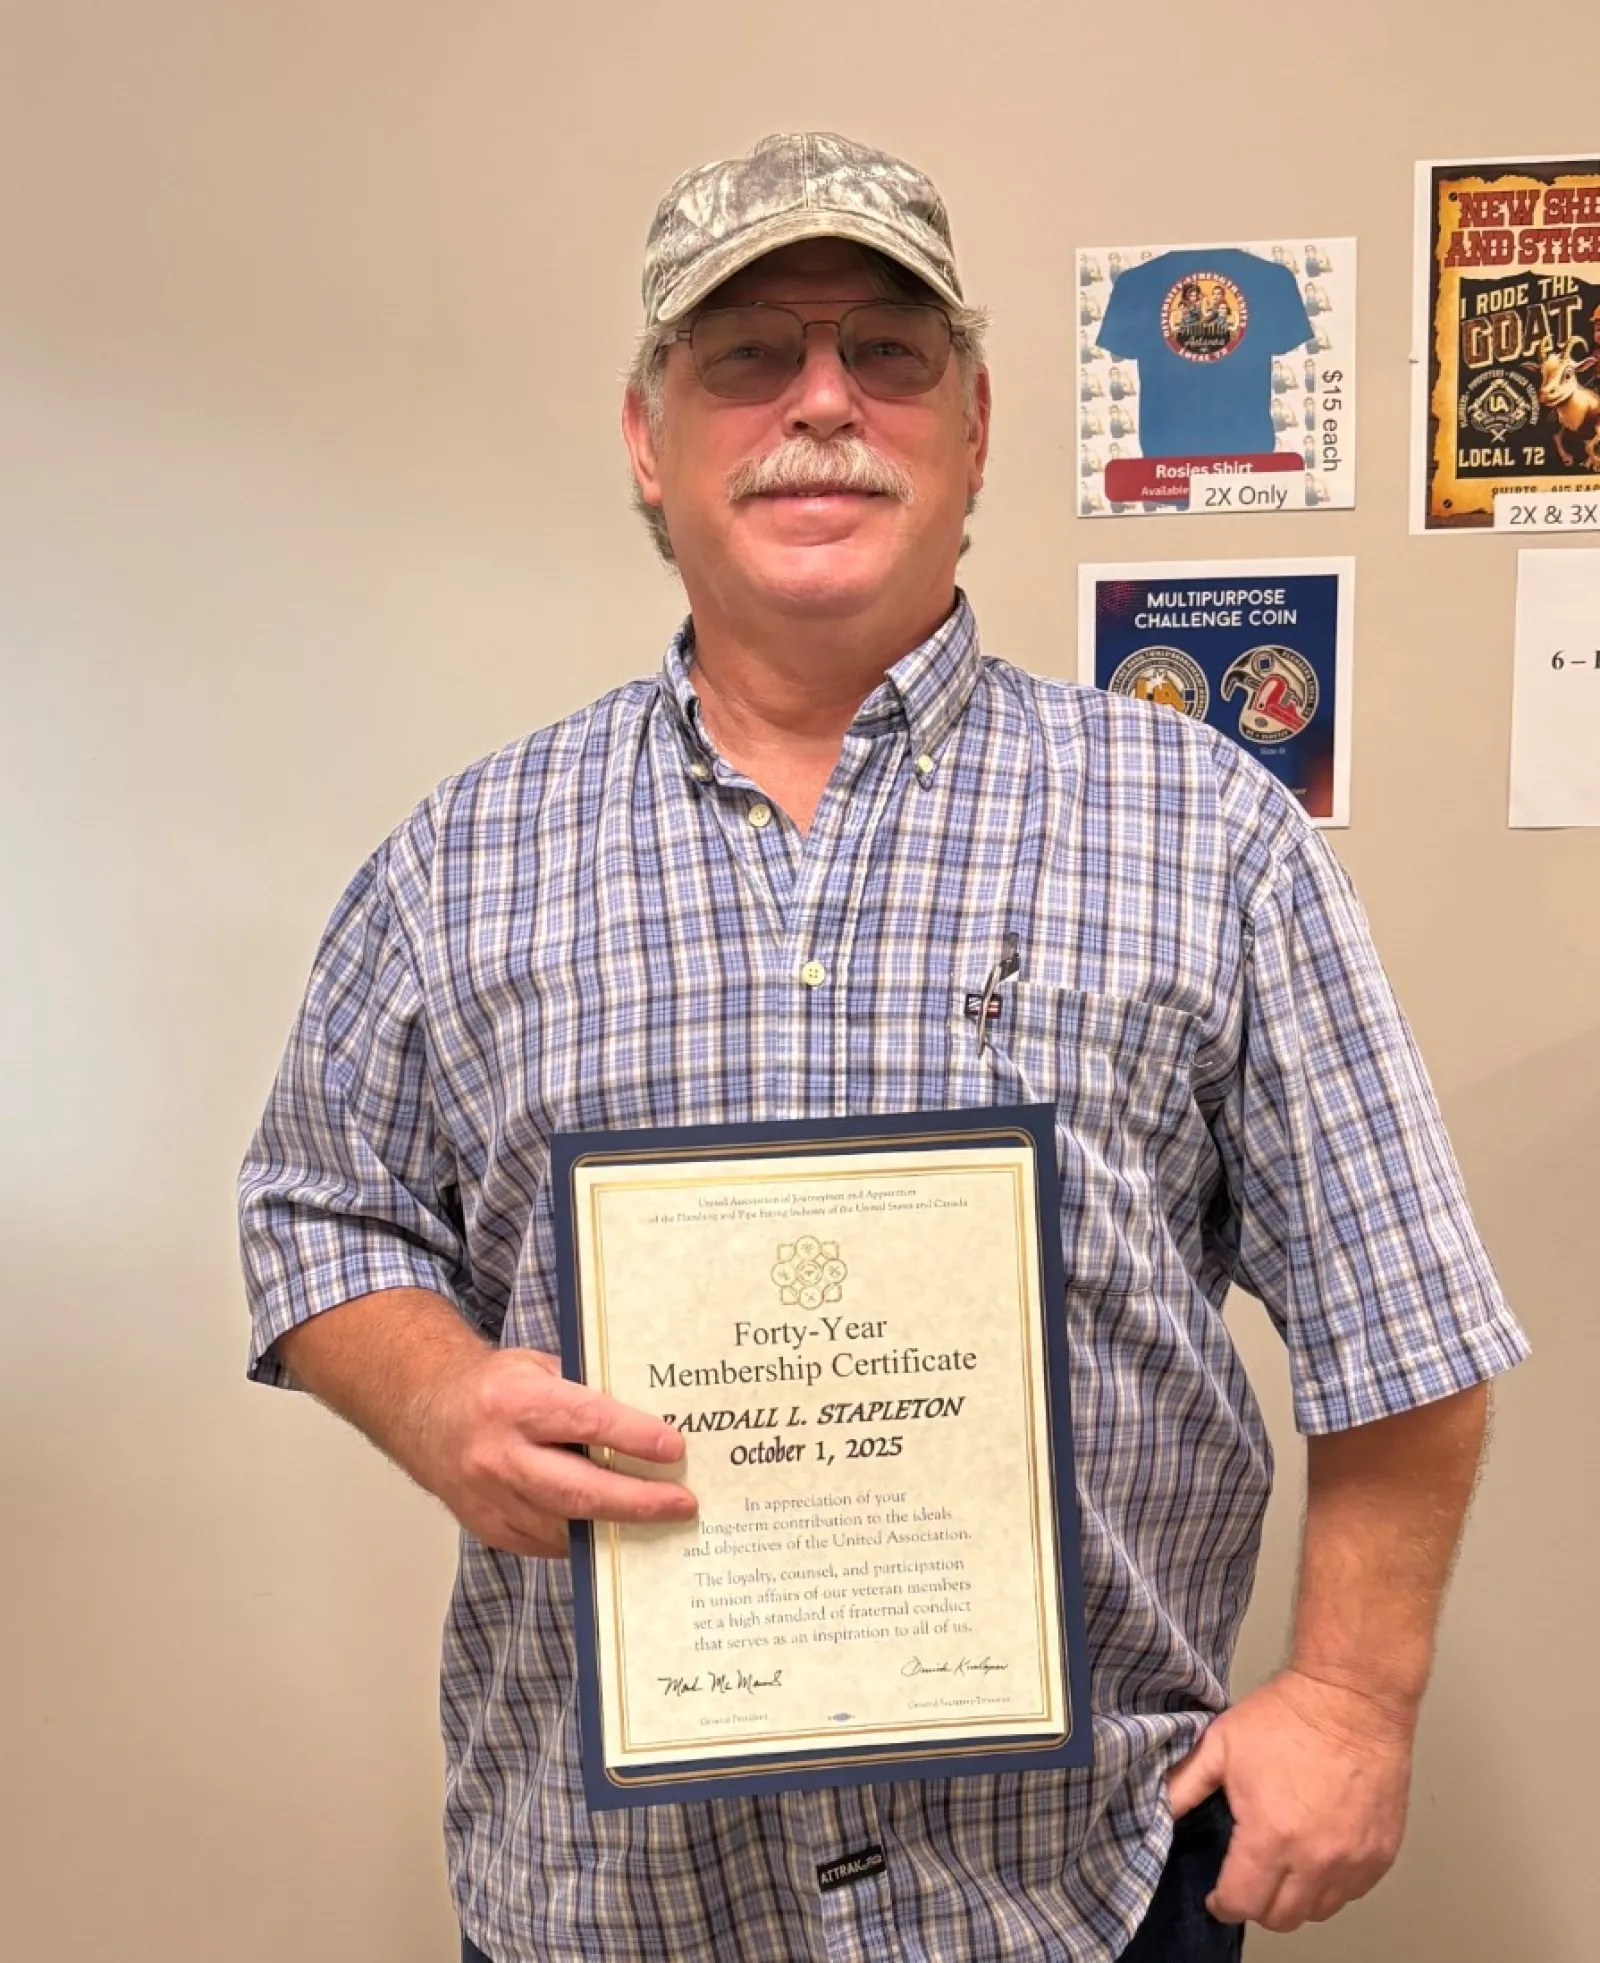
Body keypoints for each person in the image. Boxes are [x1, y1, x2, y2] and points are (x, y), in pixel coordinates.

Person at [238, 131, 1529, 1963]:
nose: (821, 401)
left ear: (979, 423)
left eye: (888, 353)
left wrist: (1354, 1700)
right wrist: (440, 1398)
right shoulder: (463, 859)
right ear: (647, 431)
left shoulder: (1208, 831)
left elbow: (1408, 1321)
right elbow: (315, 1212)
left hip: (1072, 1894)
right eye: (748, 353)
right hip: (608, 1908)